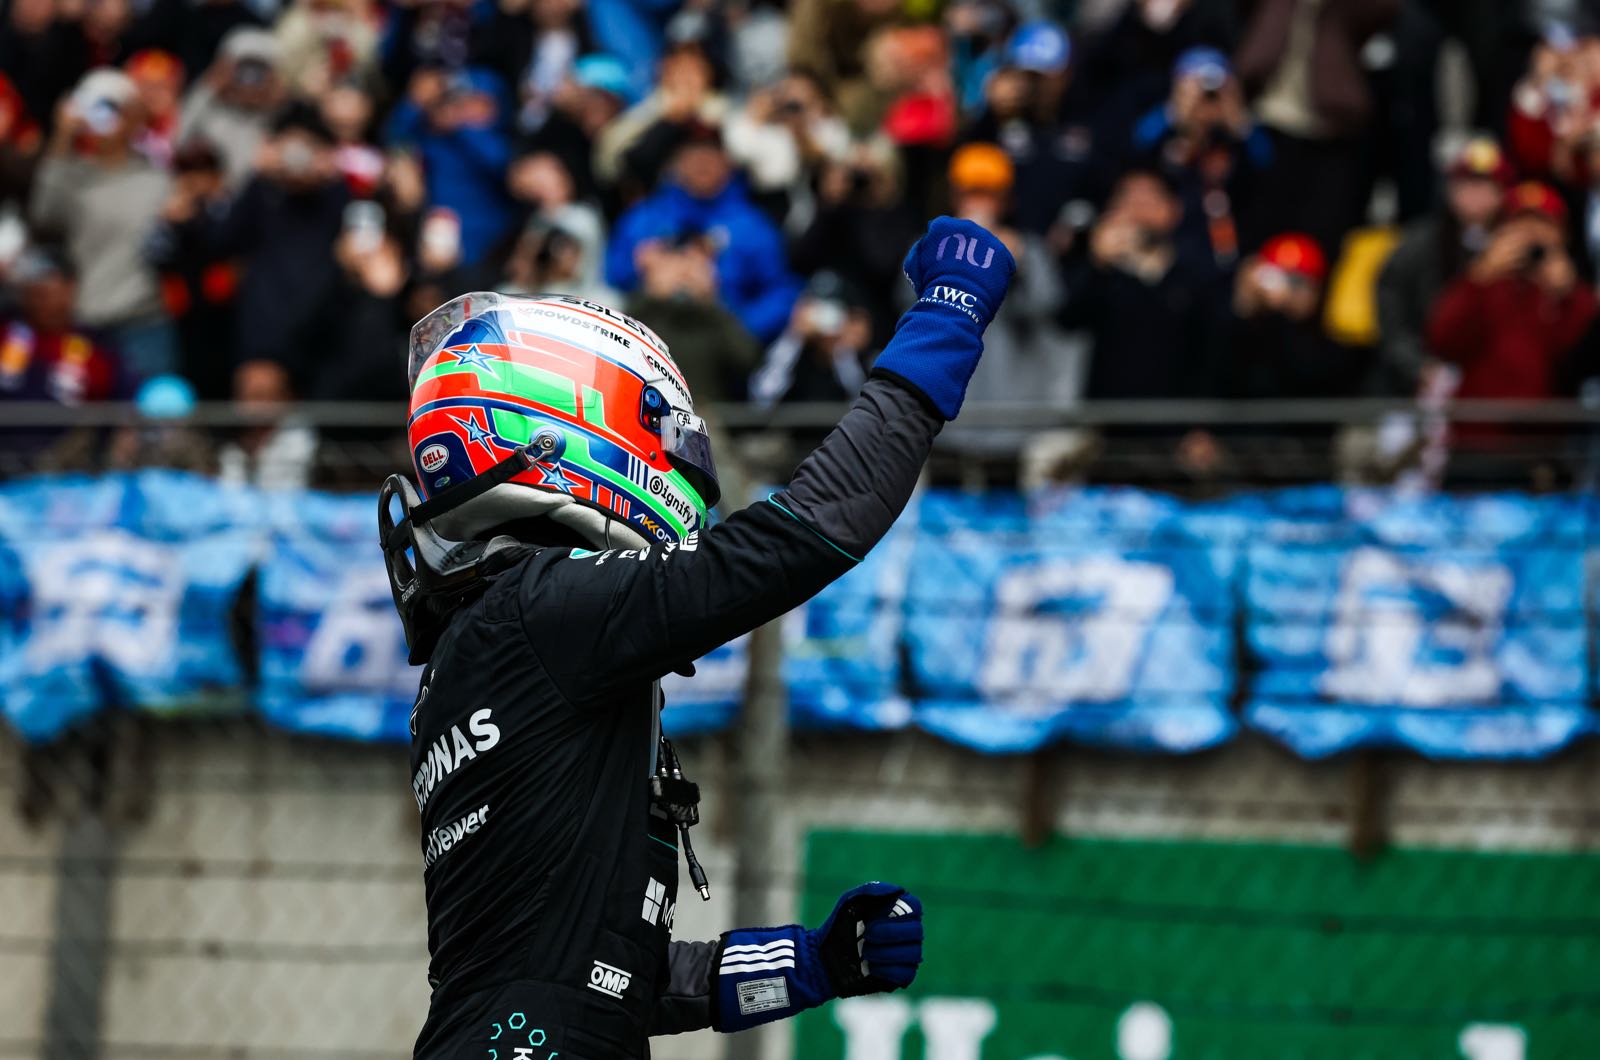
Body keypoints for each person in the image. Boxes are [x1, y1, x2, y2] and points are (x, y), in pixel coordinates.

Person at [380, 215, 1013, 1057]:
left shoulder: (498, 627)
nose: (681, 463)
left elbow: (612, 981)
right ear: (562, 421)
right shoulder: (544, 608)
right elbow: (808, 532)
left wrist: (814, 962)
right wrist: (947, 318)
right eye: (663, 430)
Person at [29, 67, 175, 381]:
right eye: (93, 107)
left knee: (149, 410)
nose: (102, 118)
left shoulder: (158, 180)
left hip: (143, 322)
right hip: (85, 322)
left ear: (133, 116)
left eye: (111, 108)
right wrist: (62, 138)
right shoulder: (71, 175)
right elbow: (43, 217)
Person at [605, 123, 800, 344]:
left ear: (728, 162)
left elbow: (782, 293)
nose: (702, 163)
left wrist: (733, 321)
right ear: (676, 161)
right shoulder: (644, 218)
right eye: (693, 153)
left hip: (720, 346)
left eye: (711, 154)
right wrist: (639, 270)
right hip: (645, 340)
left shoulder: (753, 226)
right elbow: (611, 279)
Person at [1427, 181, 1597, 402]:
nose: (1531, 233)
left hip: (1551, 418)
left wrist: (1568, 295)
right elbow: (1442, 341)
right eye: (1520, 223)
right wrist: (1479, 277)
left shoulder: (1571, 293)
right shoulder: (1481, 283)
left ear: (1562, 234)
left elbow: (1582, 360)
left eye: (1543, 223)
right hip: (1482, 417)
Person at [1375, 135, 1512, 397]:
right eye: (1467, 184)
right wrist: (1416, 366)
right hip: (1421, 378)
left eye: (1486, 185)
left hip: (1494, 382)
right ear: (1450, 190)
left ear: (1503, 192)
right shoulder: (1420, 243)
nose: (1476, 196)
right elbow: (1392, 311)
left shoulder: (1516, 243)